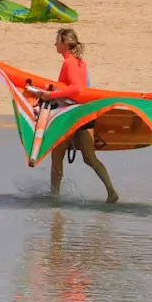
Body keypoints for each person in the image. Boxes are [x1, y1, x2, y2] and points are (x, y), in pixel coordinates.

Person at [41, 27, 117, 203]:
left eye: (57, 41)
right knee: (90, 158)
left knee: (57, 156)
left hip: (71, 115)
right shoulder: (81, 62)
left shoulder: (69, 63)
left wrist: (50, 96)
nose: (55, 43)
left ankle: (54, 196)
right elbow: (86, 88)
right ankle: (111, 192)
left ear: (65, 43)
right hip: (85, 113)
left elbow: (76, 88)